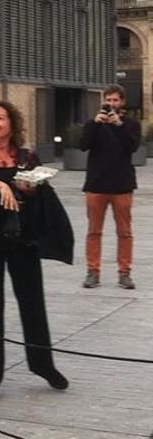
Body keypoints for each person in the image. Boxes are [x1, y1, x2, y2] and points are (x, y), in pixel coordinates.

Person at [0, 101, 68, 402]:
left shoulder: (25, 156)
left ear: (11, 123)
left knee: (32, 302)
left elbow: (38, 192)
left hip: (22, 237)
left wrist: (29, 189)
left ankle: (42, 364)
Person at [79, 84, 140, 290]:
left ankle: (124, 273)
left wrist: (119, 126)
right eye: (108, 100)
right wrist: (95, 125)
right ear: (103, 101)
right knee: (94, 231)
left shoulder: (130, 124)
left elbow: (132, 146)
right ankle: (92, 271)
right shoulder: (93, 124)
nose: (111, 104)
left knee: (124, 231)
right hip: (96, 185)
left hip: (122, 185)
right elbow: (83, 145)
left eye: (115, 100)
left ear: (121, 102)